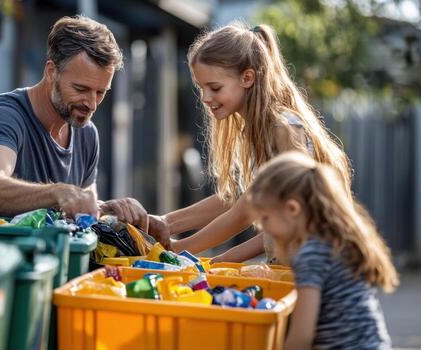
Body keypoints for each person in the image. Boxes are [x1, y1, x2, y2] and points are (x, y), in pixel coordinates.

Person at [148, 22, 352, 262]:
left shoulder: (283, 129)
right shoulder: (257, 131)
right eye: (201, 88)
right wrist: (167, 224)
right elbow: (236, 200)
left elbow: (246, 209)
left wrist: (181, 249)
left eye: (214, 87)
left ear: (247, 78)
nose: (205, 97)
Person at [0, 15, 148, 229]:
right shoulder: (3, 115)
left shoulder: (87, 134)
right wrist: (59, 192)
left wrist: (110, 209)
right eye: (81, 89)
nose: (91, 104)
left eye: (100, 92)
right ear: (51, 71)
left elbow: (84, 214)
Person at [247, 151, 398, 350]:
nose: (263, 228)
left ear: (292, 209)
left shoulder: (311, 254)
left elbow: (301, 337)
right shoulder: (339, 240)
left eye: (265, 218)